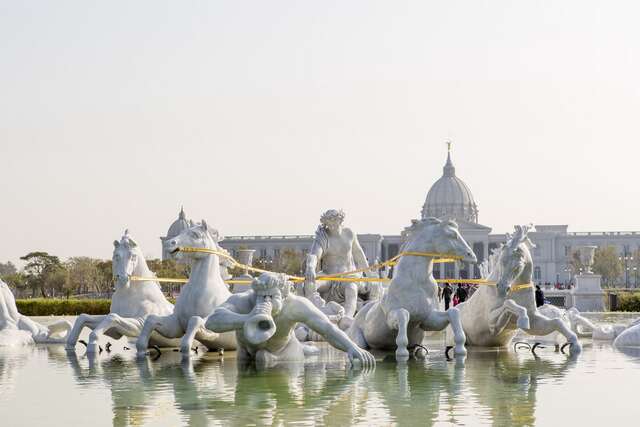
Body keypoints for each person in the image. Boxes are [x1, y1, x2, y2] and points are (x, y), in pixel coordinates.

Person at [304, 209, 374, 320]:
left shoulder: (349, 234)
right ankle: (318, 314)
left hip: (349, 277)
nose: (331, 227)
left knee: (351, 289)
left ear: (340, 220)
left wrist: (370, 275)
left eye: (334, 223)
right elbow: (314, 255)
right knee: (311, 284)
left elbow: (359, 254)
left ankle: (346, 318)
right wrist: (310, 268)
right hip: (328, 276)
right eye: (328, 224)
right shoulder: (322, 237)